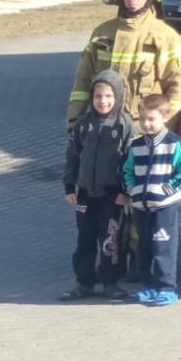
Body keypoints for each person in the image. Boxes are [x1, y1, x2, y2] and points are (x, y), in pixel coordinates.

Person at [68, 0, 181, 129]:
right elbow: (83, 81)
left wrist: (163, 124)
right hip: (102, 127)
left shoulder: (164, 36)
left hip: (143, 129)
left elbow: (179, 85)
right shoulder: (102, 33)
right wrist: (74, 120)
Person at [61, 70, 132, 301]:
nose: (103, 101)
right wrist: (70, 187)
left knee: (110, 240)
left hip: (112, 196)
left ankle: (111, 282)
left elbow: (131, 163)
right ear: (91, 97)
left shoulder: (125, 125)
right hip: (85, 196)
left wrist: (125, 191)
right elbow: (72, 157)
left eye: (109, 96)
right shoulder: (83, 124)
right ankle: (85, 283)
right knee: (85, 240)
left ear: (118, 96)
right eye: (98, 96)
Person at [121, 94, 181, 307]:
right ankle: (149, 286)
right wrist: (132, 189)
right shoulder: (136, 146)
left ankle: (167, 287)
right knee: (144, 247)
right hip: (140, 206)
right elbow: (127, 170)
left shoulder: (174, 144)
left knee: (163, 247)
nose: (146, 124)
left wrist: (168, 188)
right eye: (142, 119)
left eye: (151, 119)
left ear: (165, 118)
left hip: (164, 206)